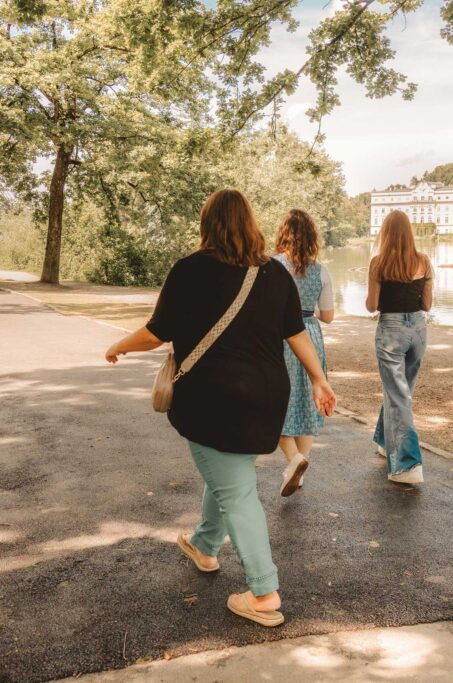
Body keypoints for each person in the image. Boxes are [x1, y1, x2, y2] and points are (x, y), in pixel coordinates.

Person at [105, 189, 336, 627]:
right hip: (267, 396)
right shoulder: (273, 274)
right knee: (230, 469)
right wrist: (320, 379)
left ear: (206, 224)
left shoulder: (190, 270)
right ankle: (205, 545)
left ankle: (264, 592)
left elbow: (157, 332)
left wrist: (119, 345)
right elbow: (297, 333)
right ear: (250, 223)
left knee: (236, 490)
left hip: (214, 398)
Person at [366, 210, 433, 485]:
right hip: (418, 329)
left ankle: (408, 465)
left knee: (398, 395)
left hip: (391, 329)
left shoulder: (378, 263)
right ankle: (385, 440)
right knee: (401, 391)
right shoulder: (424, 261)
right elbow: (427, 305)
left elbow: (372, 305)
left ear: (385, 233)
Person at [273, 209, 335, 497]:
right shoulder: (321, 271)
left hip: (279, 335)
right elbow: (329, 315)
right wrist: (309, 308)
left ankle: (293, 459)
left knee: (276, 400)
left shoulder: (272, 266)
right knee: (308, 398)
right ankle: (301, 465)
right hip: (309, 332)